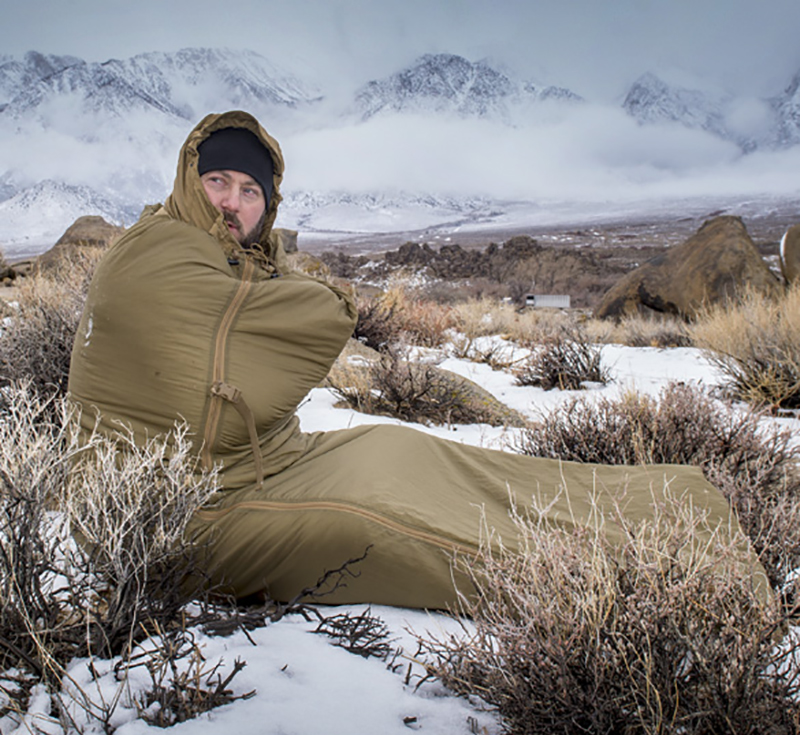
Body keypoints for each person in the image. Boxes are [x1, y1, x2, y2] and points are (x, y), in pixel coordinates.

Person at [68, 110, 766, 608]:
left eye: (251, 191)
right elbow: (321, 317)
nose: (232, 203)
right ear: (188, 180)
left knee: (402, 451)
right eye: (219, 181)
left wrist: (281, 289)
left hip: (258, 466)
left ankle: (676, 510)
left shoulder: (224, 258)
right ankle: (675, 585)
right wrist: (295, 292)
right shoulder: (157, 255)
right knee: (380, 524)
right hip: (169, 518)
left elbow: (276, 329)